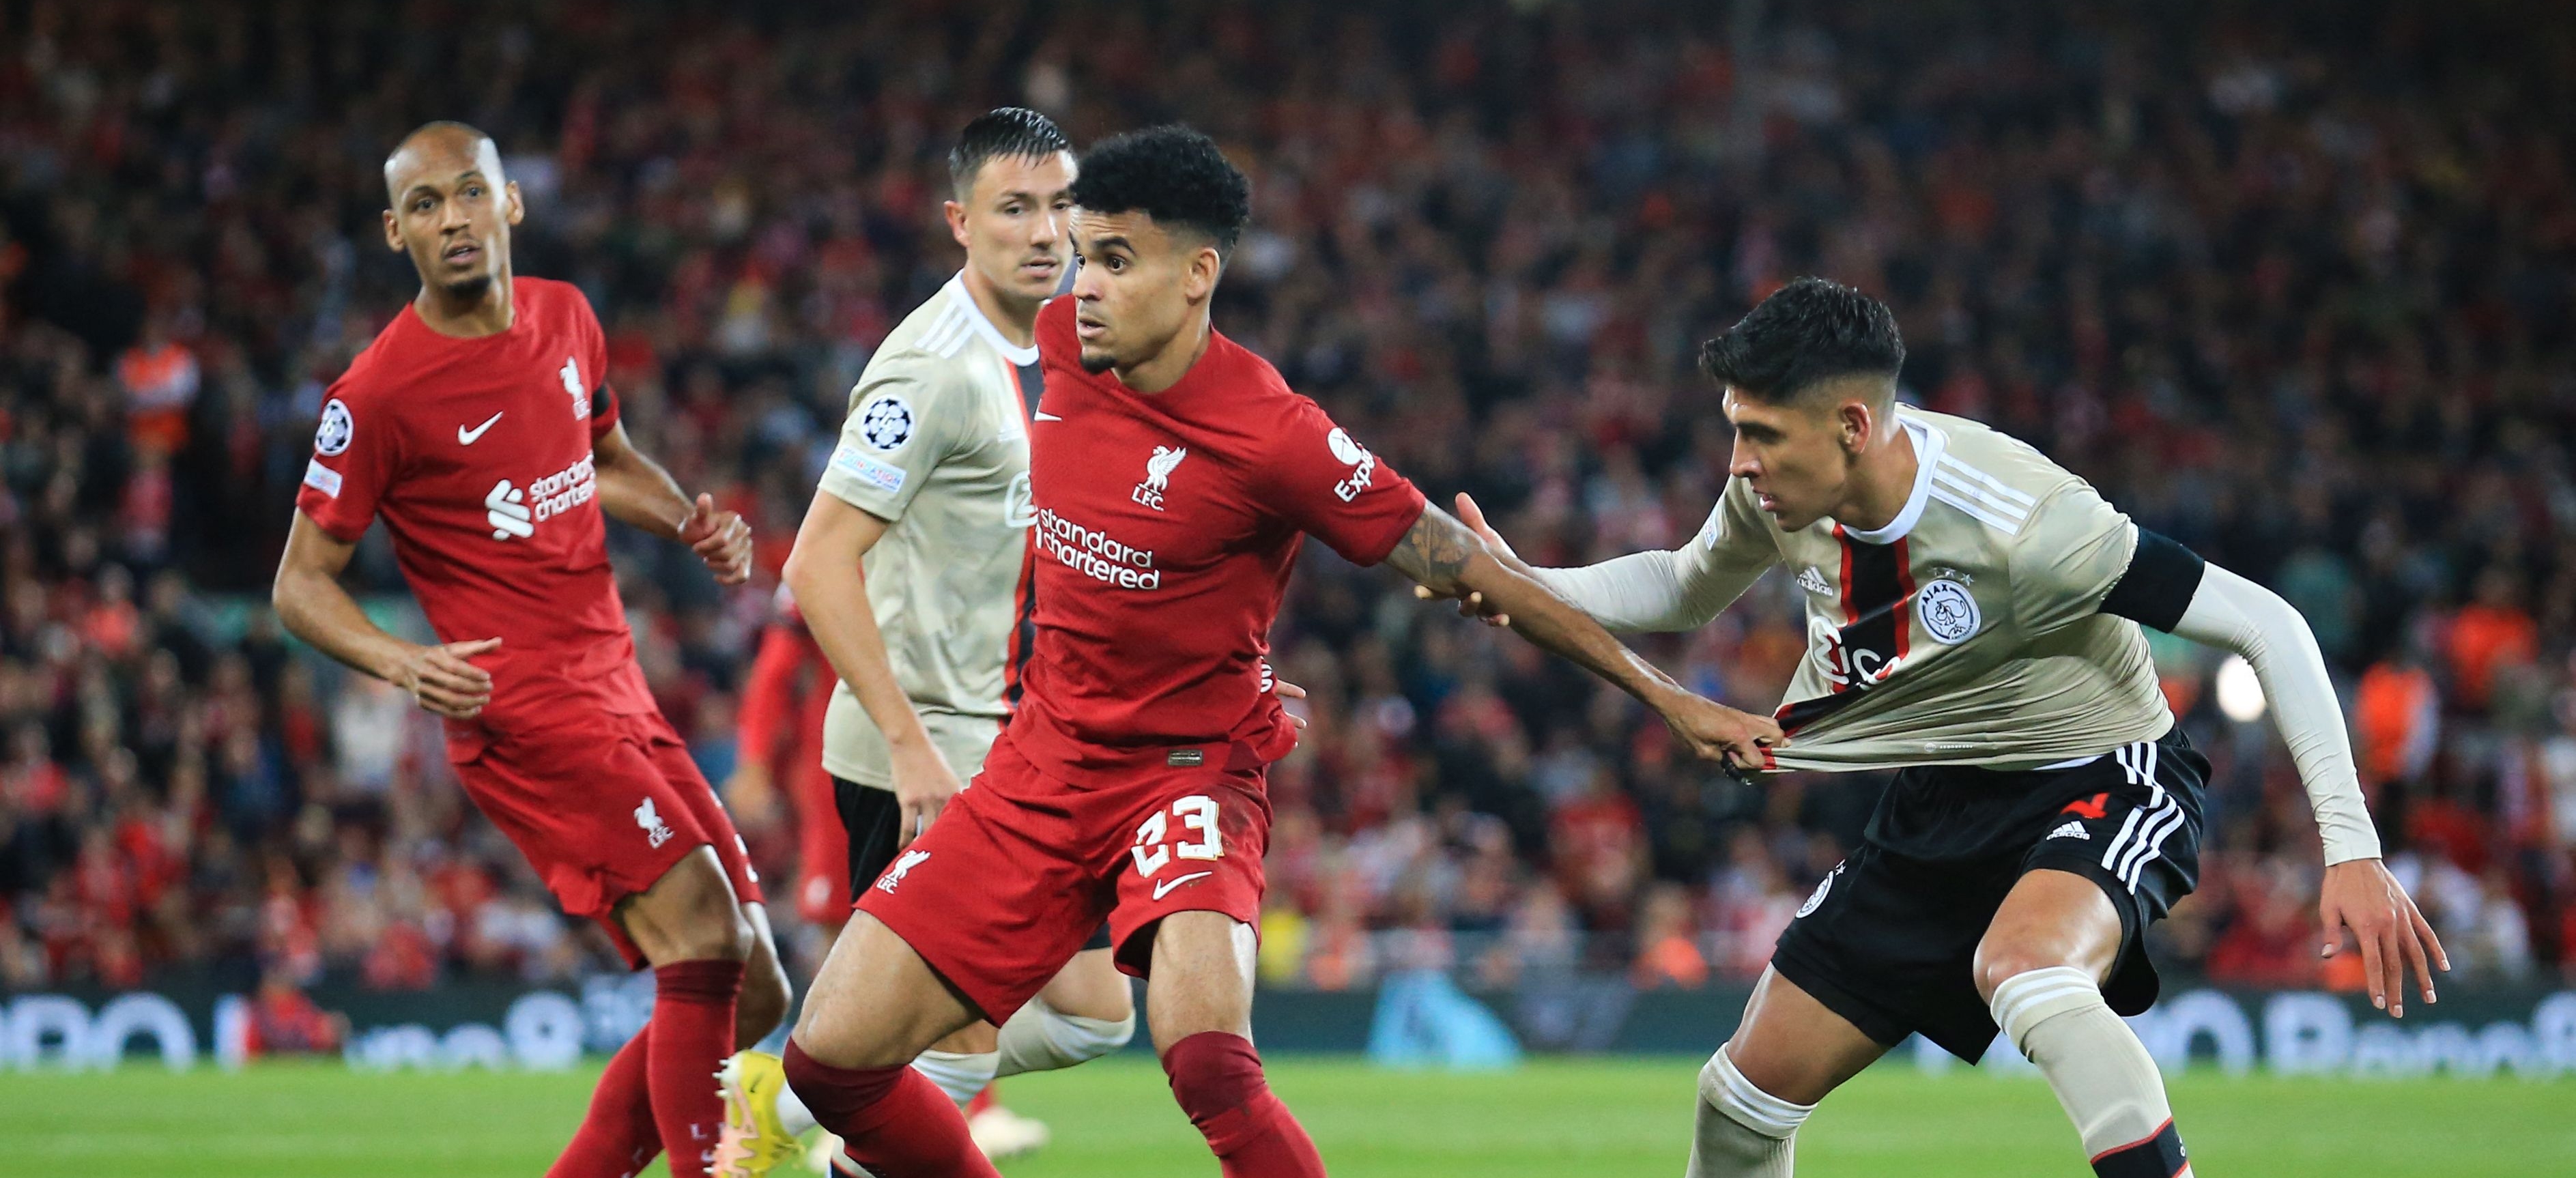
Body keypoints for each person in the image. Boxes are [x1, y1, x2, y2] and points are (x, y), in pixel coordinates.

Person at [775, 124, 1779, 1178]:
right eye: (1083, 255)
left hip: (1184, 776)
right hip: (1041, 762)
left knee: (1205, 1060)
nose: (1084, 286)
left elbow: (1465, 566)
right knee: (828, 1065)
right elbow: (1061, 549)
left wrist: (1673, 701)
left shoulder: (1274, 434)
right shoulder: (1062, 349)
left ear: (1198, 273)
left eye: (1115, 261)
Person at [1436, 278, 2448, 1178]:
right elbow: (1682, 583)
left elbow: (2267, 623)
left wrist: (2349, 846)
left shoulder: (2028, 524)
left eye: (1761, 435)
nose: (1739, 463)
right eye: (1734, 430)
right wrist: (1529, 582)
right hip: (1938, 798)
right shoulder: (1777, 492)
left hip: (2096, 772)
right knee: (1739, 1102)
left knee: (2027, 968)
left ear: (1850, 425)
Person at [270, 121, 790, 1178]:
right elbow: (298, 584)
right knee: (702, 933)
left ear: (510, 203)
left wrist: (687, 515)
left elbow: (601, 454)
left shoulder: (566, 317)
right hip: (521, 708)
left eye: (469, 193)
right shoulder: (375, 396)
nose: (452, 218)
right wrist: (401, 659)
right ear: (394, 232)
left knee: (762, 985)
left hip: (617, 683)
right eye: (425, 205)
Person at [715, 108, 1134, 1177]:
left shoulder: (1066, 346)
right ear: (959, 222)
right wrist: (910, 747)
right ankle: (819, 1115)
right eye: (1014, 210)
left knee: (1095, 1013)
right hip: (928, 751)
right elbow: (813, 566)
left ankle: (790, 1106)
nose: (1046, 233)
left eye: (1060, 208)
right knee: (957, 1037)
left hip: (1021, 740)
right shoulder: (929, 369)